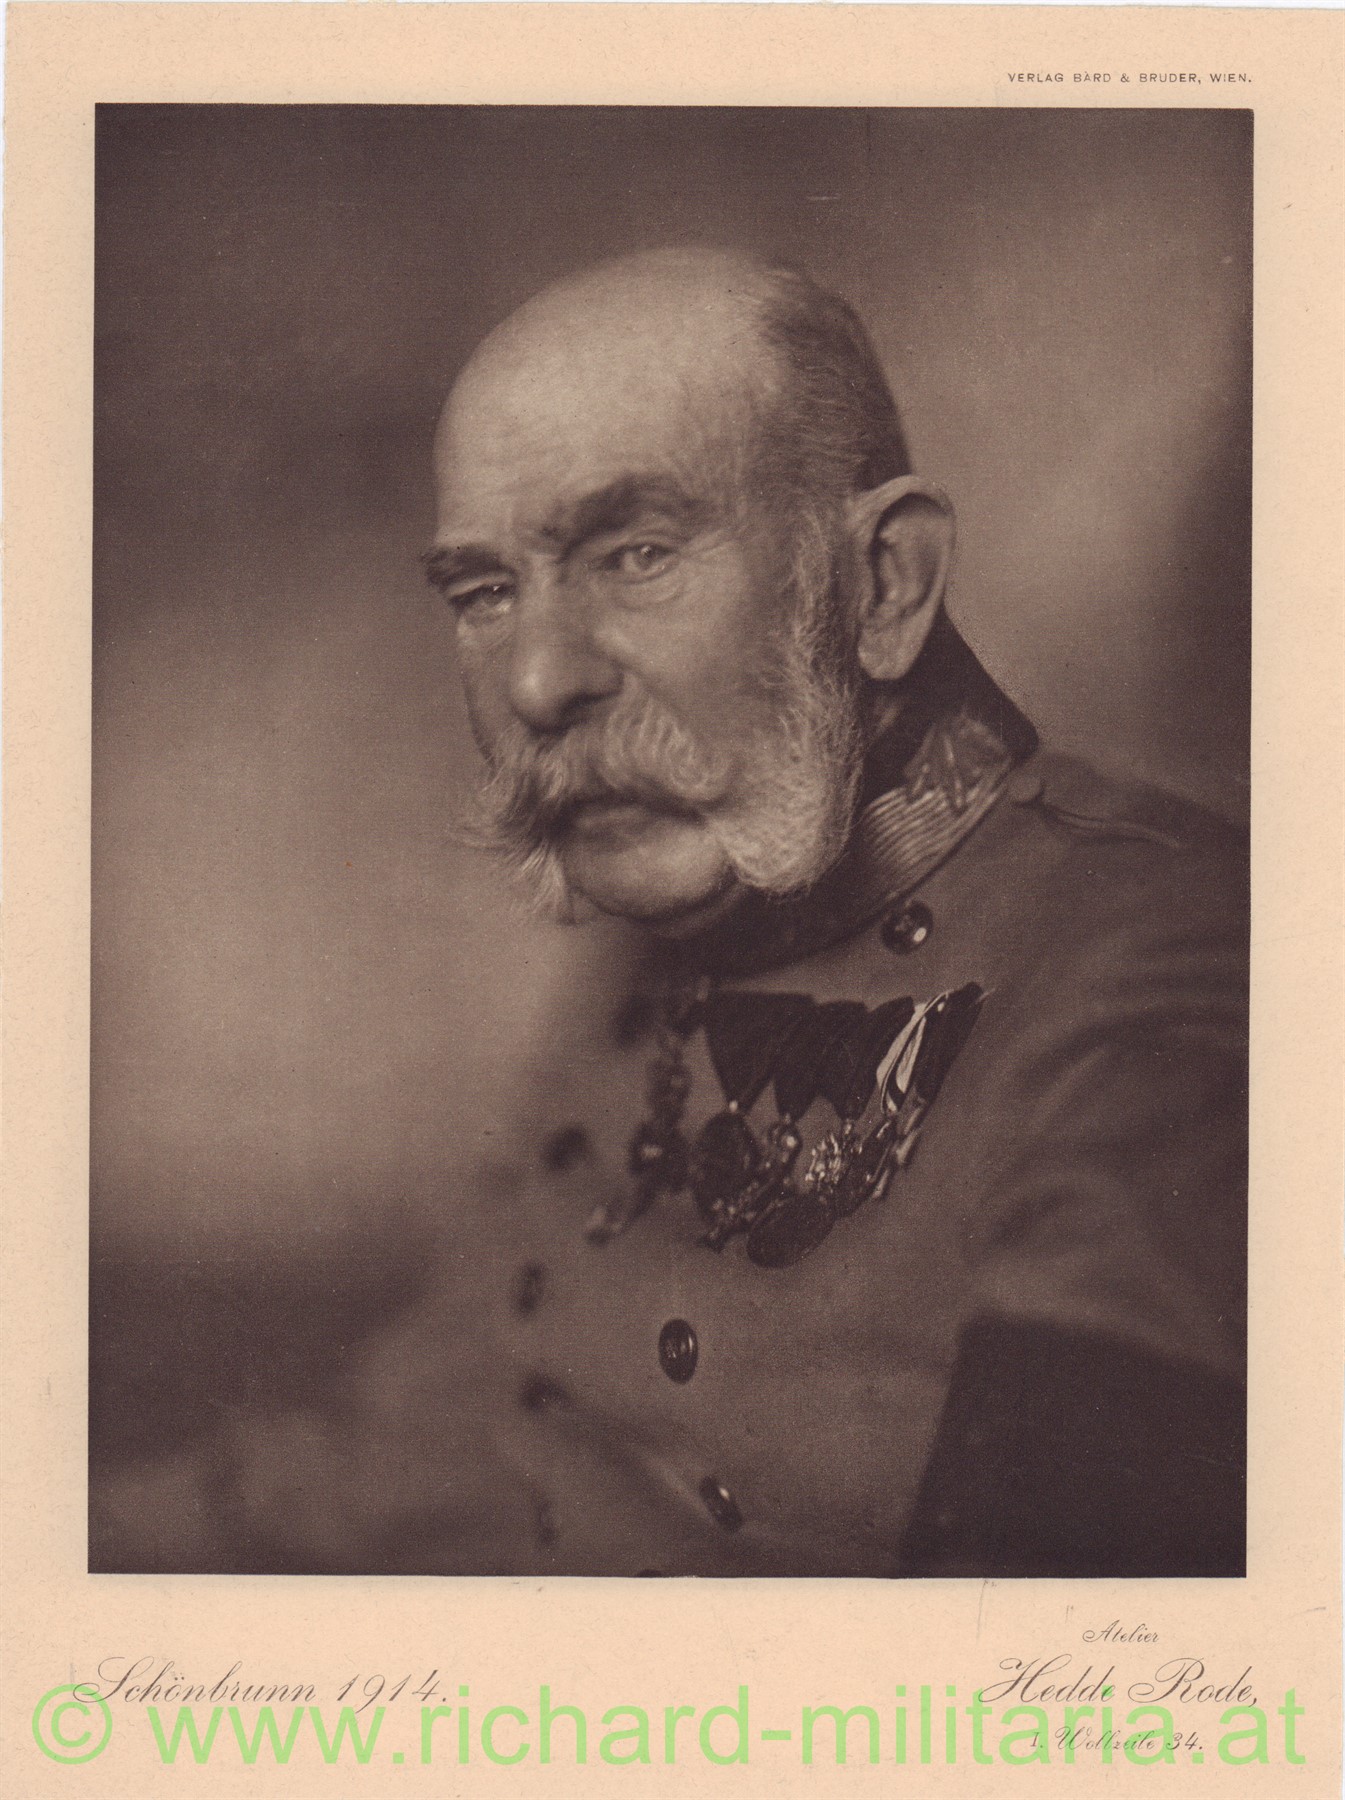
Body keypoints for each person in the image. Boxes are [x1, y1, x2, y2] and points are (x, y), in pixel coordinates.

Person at [92, 247, 1247, 1578]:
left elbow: (1040, 1662)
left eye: (636, 555)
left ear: (883, 585)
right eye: (483, 592)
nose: (536, 681)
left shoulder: (1168, 954)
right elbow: (427, 1456)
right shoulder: (690, 910)